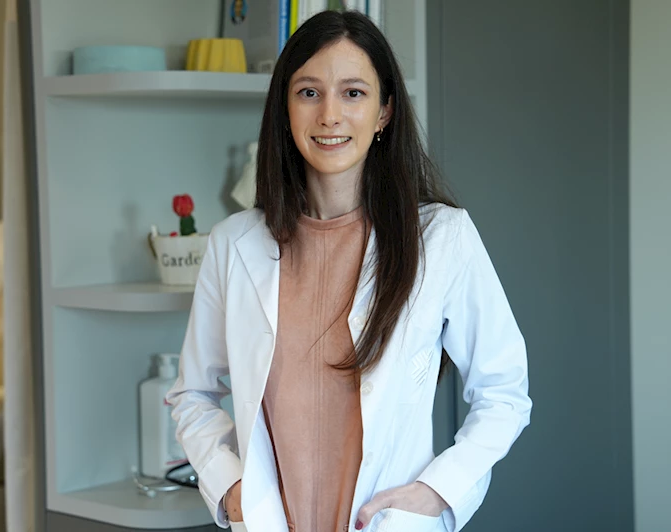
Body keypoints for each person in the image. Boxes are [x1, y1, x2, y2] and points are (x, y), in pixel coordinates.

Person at [166, 10, 531, 532]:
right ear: (285, 109)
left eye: (353, 93)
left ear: (384, 112)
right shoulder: (233, 243)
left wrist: (438, 492)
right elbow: (193, 394)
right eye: (309, 93)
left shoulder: (441, 237)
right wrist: (231, 489)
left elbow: (504, 392)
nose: (330, 115)